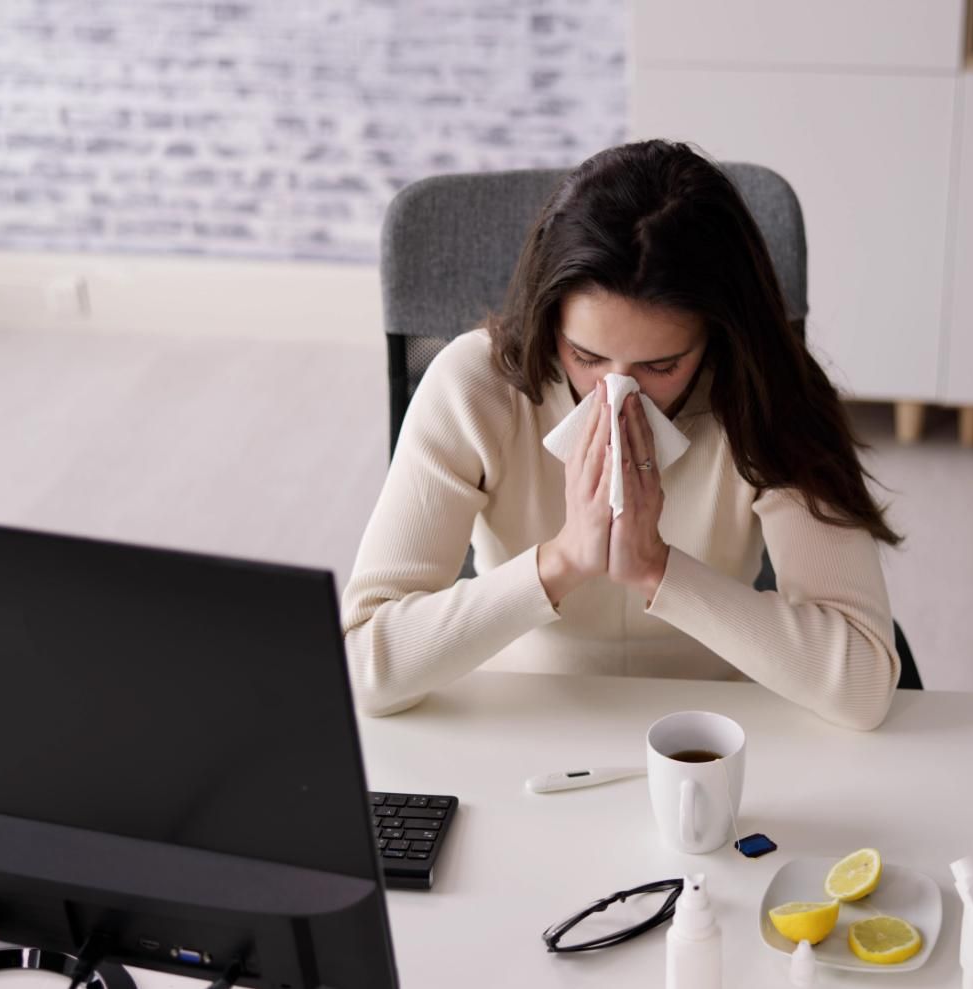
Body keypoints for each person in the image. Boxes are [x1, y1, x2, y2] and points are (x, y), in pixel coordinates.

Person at [342, 140, 903, 730]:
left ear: (717, 337)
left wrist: (658, 568)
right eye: (585, 355)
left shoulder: (769, 393)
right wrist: (560, 562)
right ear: (548, 316)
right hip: (518, 720)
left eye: (660, 367)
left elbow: (863, 683)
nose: (617, 395)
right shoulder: (475, 385)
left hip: (715, 728)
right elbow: (363, 664)